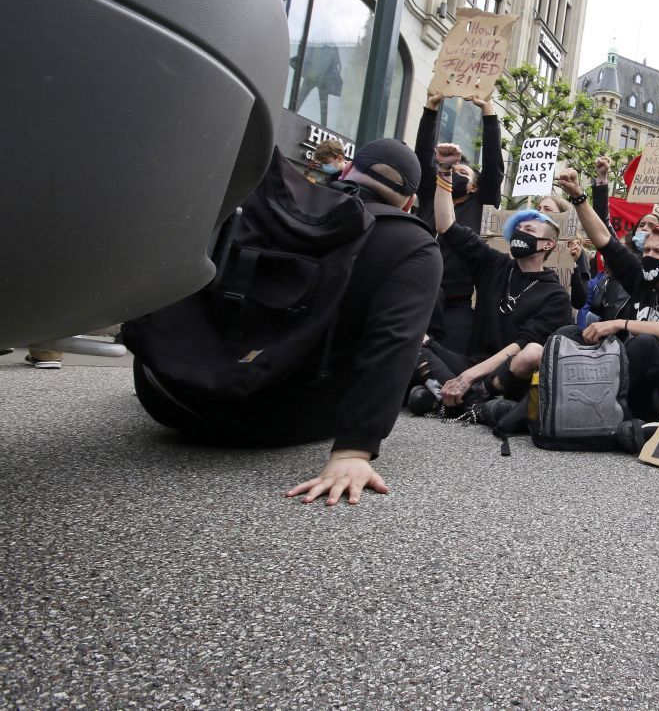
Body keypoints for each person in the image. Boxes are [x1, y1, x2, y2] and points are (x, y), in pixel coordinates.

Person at [133, 139, 442, 506]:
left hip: (164, 388)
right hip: (271, 419)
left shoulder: (273, 202)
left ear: (344, 171)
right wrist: (353, 451)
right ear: (408, 203)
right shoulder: (413, 243)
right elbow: (394, 341)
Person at [555, 169, 659, 421]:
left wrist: (621, 323)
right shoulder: (642, 278)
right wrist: (578, 197)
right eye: (647, 250)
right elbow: (605, 240)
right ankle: (557, 401)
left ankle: (597, 413)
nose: (649, 256)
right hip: (629, 376)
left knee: (645, 342)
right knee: (569, 333)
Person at [420, 159, 572, 408]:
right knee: (416, 340)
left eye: (530, 230)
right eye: (518, 228)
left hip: (505, 374)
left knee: (528, 354)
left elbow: (519, 347)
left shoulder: (555, 296)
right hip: (470, 361)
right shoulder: (495, 264)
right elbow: (446, 226)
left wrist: (468, 377)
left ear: (548, 244)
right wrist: (444, 173)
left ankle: (446, 394)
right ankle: (464, 400)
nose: (521, 233)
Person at [415, 91, 504, 352]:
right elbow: (423, 155)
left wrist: (488, 111)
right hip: (418, 296)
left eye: (463, 172)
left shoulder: (480, 203)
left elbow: (493, 166)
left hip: (456, 305)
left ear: (475, 186)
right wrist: (431, 107)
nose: (454, 174)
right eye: (451, 170)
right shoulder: (431, 197)